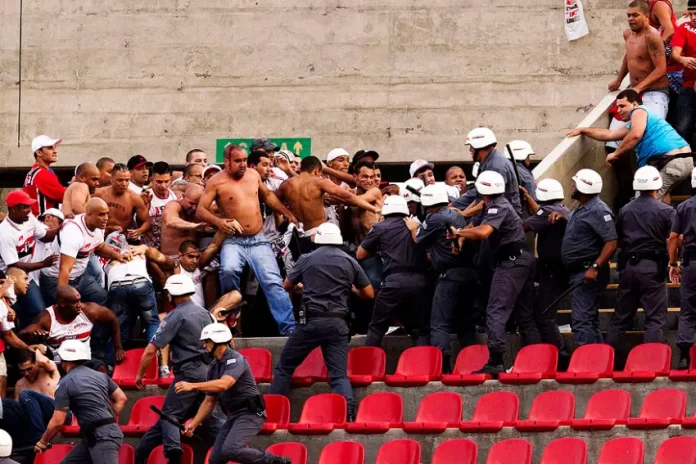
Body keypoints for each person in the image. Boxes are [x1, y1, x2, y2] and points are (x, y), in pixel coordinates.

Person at [270, 222, 374, 419]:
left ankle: (273, 412)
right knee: (338, 375)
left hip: (310, 322)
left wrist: (302, 287)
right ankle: (348, 413)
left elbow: (287, 285)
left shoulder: (307, 259)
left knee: (284, 367)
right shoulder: (349, 261)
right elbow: (368, 293)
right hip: (337, 324)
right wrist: (350, 288)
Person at [197, 145, 299, 336]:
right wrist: (219, 222)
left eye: (244, 160)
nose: (243, 164)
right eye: (238, 161)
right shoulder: (216, 182)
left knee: (272, 281)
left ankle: (290, 329)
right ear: (226, 161)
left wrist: (287, 213)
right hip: (233, 240)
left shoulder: (253, 175)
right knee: (228, 270)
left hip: (259, 239)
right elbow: (200, 210)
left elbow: (268, 196)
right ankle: (231, 319)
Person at [450, 171, 539, 376]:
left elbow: (483, 232)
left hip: (511, 262)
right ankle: (536, 360)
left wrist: (458, 233)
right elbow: (476, 223)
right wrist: (462, 238)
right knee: (524, 315)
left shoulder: (498, 206)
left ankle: (496, 360)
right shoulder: (491, 204)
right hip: (519, 259)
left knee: (496, 310)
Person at [134, 274, 221, 464]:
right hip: (210, 372)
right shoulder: (206, 313)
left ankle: (174, 453)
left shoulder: (175, 316)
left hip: (188, 374)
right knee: (212, 420)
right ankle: (236, 447)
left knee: (170, 415)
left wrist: (140, 374)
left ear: (171, 294)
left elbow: (151, 350)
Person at [178, 324, 290, 464]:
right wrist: (194, 423)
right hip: (235, 415)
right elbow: (209, 401)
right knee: (216, 459)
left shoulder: (236, 359)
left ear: (217, 341)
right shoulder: (214, 367)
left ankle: (275, 461)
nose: (204, 345)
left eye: (207, 341)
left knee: (231, 450)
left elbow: (225, 383)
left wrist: (192, 386)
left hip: (251, 413)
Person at [568, 90, 692, 202]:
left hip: (670, 162)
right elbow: (610, 134)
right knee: (661, 197)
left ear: (634, 104)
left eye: (622, 106)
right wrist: (583, 130)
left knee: (641, 202)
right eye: (617, 107)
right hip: (684, 161)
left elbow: (635, 135)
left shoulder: (639, 110)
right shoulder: (638, 121)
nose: (618, 110)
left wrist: (616, 153)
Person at [606, 167, 674, 354]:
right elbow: (674, 239)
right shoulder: (666, 211)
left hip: (628, 268)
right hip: (653, 268)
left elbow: (617, 239)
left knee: (620, 318)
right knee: (655, 319)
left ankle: (605, 359)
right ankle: (650, 361)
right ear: (657, 185)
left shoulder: (625, 210)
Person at [413, 184, 480, 371]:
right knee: (465, 324)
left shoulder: (434, 218)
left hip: (449, 276)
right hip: (469, 275)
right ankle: (473, 364)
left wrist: (412, 227)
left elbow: (417, 239)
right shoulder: (456, 215)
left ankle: (442, 366)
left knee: (439, 323)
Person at [34, 340, 127, 464]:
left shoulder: (65, 383)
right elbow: (121, 398)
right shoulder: (100, 376)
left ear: (62, 358)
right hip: (95, 436)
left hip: (103, 437)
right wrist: (107, 419)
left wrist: (43, 442)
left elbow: (58, 421)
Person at [358, 195, 430, 347]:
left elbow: (360, 254)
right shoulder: (417, 225)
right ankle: (426, 367)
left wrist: (381, 250)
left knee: (377, 326)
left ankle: (368, 366)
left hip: (394, 282)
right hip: (420, 282)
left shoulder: (380, 227)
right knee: (422, 329)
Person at [561, 169, 618, 346]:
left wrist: (595, 267)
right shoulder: (582, 209)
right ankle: (599, 361)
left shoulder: (598, 210)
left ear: (583, 187)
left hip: (588, 272)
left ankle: (588, 365)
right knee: (589, 320)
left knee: (581, 321)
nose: (572, 186)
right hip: (578, 272)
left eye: (575, 183)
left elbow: (612, 241)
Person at [276, 156, 379, 253]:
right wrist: (373, 209)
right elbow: (348, 197)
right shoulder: (319, 182)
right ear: (317, 170)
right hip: (319, 235)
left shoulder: (285, 185)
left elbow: (274, 203)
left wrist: (287, 213)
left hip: (298, 237)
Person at [39, 198, 128, 306]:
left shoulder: (99, 226)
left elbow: (99, 247)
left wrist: (118, 256)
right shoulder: (73, 232)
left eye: (106, 214)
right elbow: (64, 269)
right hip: (55, 279)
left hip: (79, 277)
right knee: (67, 313)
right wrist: (64, 300)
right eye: (101, 214)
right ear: (89, 215)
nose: (106, 218)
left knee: (104, 299)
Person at [521, 178, 570, 356]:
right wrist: (527, 198)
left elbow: (524, 226)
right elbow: (540, 214)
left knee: (544, 315)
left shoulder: (548, 211)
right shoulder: (560, 208)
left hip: (552, 272)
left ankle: (560, 353)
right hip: (554, 269)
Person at [20, 285, 125, 366]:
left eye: (79, 300)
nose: (79, 305)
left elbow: (113, 319)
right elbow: (21, 335)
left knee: (100, 368)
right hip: (60, 366)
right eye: (74, 302)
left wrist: (118, 347)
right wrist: (31, 336)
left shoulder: (89, 311)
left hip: (84, 362)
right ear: (62, 303)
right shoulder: (46, 319)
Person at [0, 191, 58, 325]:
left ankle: (29, 339)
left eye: (29, 206)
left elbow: (45, 236)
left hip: (25, 276)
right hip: (7, 279)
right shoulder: (4, 232)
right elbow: (15, 265)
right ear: (13, 209)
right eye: (25, 207)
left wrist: (63, 227)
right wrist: (43, 263)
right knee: (10, 317)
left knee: (38, 311)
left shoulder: (29, 218)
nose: (29, 210)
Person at [609, 1, 670, 117]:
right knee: (617, 130)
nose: (630, 19)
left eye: (635, 15)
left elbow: (661, 69)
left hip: (654, 92)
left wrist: (638, 88)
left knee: (651, 130)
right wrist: (618, 81)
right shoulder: (627, 34)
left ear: (646, 16)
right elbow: (628, 58)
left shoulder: (652, 36)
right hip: (635, 92)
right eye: (629, 15)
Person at [670, 168, 696, 368]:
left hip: (691, 262)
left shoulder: (684, 207)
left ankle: (685, 357)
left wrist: (673, 263)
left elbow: (673, 237)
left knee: (688, 310)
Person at [463, 127, 522, 215]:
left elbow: (488, 199)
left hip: (504, 217)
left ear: (479, 146)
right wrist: (463, 213)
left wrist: (464, 214)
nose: (470, 150)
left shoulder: (495, 167)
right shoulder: (489, 162)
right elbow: (480, 198)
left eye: (471, 147)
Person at [95, 163, 151, 240]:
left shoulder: (134, 198)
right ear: (112, 179)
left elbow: (146, 221)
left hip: (122, 240)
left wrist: (138, 231)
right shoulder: (98, 194)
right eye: (120, 180)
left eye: (127, 180)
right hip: (98, 238)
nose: (124, 184)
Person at [672, 1, 696, 146]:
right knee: (681, 128)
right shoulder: (683, 28)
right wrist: (681, 58)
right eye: (692, 14)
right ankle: (686, 163)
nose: (693, 17)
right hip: (688, 85)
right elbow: (675, 53)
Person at [23, 135, 65, 217]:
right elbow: (66, 197)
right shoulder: (42, 174)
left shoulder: (33, 172)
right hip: (43, 225)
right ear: (39, 152)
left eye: (54, 147)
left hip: (33, 223)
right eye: (50, 148)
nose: (55, 151)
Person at [161, 184, 208, 257]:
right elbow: (170, 221)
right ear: (183, 197)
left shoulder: (201, 209)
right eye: (191, 203)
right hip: (172, 258)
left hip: (194, 259)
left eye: (197, 204)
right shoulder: (173, 205)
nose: (194, 208)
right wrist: (194, 226)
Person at [142, 162, 178, 249]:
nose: (163, 185)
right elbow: (140, 224)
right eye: (159, 181)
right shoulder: (145, 196)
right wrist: (146, 207)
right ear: (151, 180)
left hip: (171, 244)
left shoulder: (175, 197)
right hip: (151, 246)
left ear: (171, 179)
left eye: (166, 181)